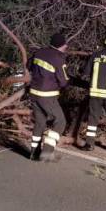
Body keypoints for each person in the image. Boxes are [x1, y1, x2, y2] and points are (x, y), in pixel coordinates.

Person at [27, 33, 70, 162]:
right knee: (60, 121)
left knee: (40, 122)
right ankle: (47, 151)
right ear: (61, 45)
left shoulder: (39, 52)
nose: (66, 46)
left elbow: (29, 66)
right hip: (47, 95)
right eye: (65, 44)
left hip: (33, 93)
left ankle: (34, 153)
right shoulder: (58, 58)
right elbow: (63, 82)